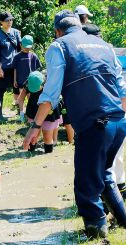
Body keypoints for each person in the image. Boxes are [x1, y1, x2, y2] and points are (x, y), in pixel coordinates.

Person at [23, 10, 126, 239]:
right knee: (104, 174)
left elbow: (50, 93)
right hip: (119, 122)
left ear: (58, 30)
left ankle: (97, 234)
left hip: (95, 125)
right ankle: (123, 220)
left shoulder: (59, 46)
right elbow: (122, 89)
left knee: (85, 186)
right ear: (80, 25)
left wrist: (35, 127)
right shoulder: (104, 46)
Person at [17, 71, 60, 153]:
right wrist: (21, 111)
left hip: (48, 111)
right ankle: (30, 152)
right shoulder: (29, 81)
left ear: (43, 84)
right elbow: (20, 98)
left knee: (47, 135)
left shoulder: (50, 82)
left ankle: (48, 154)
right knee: (33, 135)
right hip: (33, 110)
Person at [0, 11, 21, 120]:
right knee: (1, 91)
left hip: (15, 67)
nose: (10, 22)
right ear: (1, 22)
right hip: (4, 67)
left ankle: (19, 112)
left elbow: (19, 50)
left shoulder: (16, 33)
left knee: (17, 89)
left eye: (11, 20)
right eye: (7, 20)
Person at [12, 35, 41, 122]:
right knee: (21, 98)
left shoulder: (33, 56)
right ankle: (21, 114)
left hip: (31, 82)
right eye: (25, 47)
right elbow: (15, 69)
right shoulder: (17, 56)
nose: (27, 49)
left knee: (31, 99)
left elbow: (37, 70)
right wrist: (14, 80)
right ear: (21, 45)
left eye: (28, 47)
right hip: (21, 81)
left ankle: (31, 115)